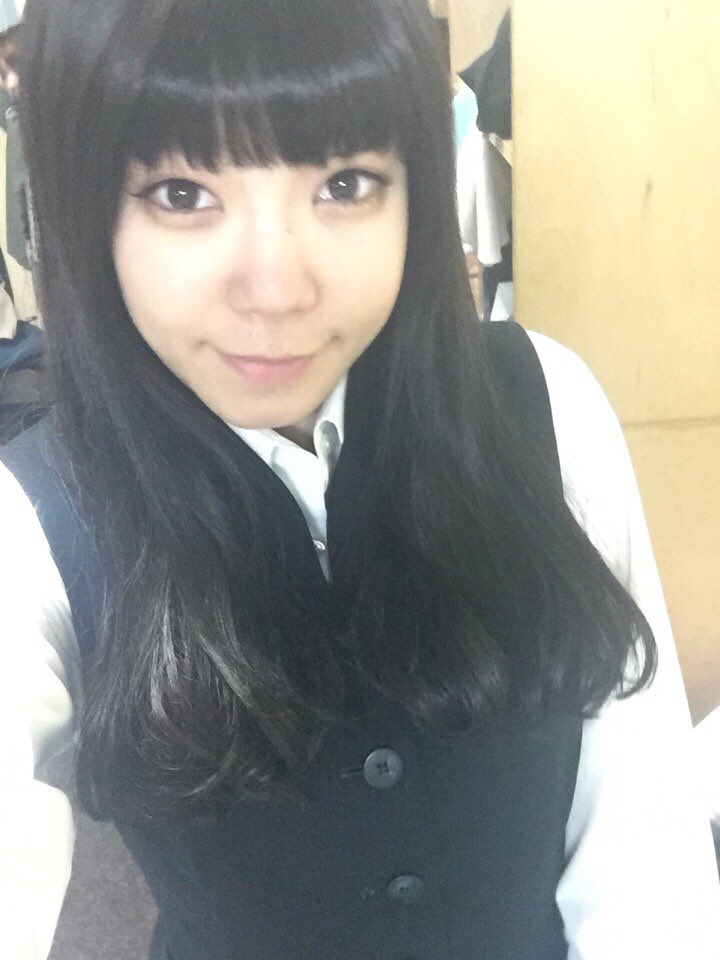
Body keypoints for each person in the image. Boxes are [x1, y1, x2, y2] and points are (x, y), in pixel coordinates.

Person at [0, 1, 718, 958]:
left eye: (345, 184)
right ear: (85, 210)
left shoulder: (546, 404)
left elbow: (640, 833)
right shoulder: (36, 518)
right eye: (181, 193)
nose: (277, 289)